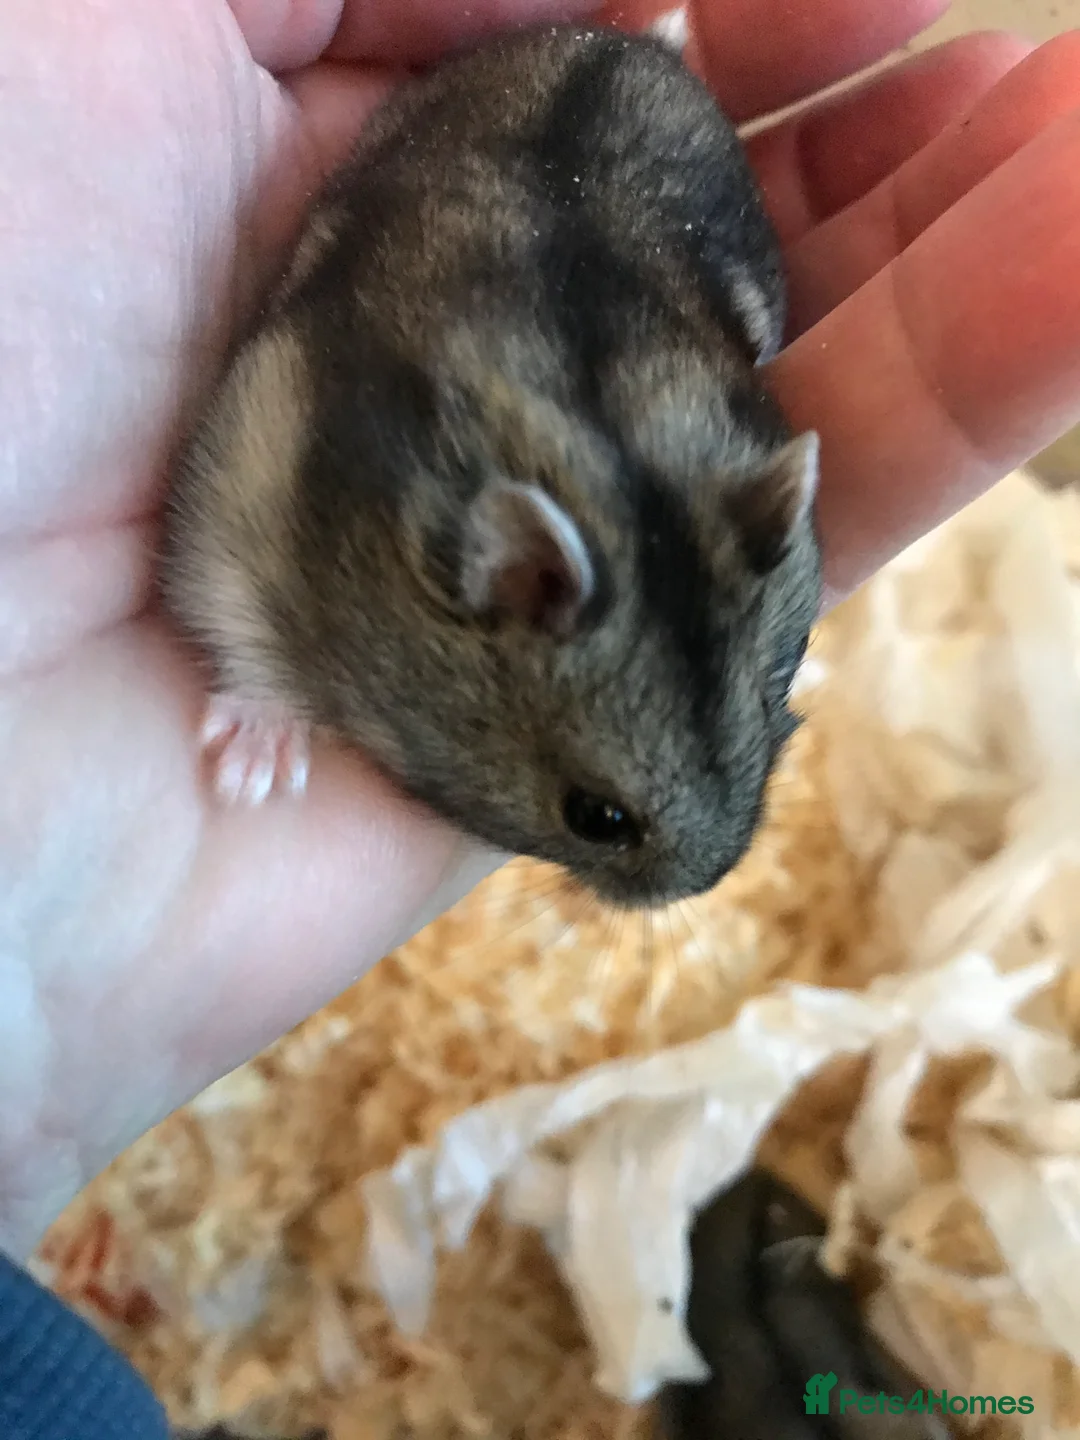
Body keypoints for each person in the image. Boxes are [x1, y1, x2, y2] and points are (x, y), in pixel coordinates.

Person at [0, 0, 1077, 1434]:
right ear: (504, 584)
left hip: (629, 205)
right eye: (601, 818)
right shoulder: (367, 505)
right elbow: (255, 469)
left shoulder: (742, 465)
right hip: (496, 203)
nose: (652, 863)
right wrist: (257, 679)